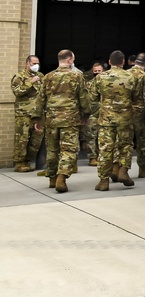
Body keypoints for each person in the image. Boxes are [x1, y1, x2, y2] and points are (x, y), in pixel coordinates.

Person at [35, 49, 89, 193]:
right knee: (68, 149)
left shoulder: (48, 76)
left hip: (51, 119)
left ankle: (52, 178)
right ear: (70, 59)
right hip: (70, 119)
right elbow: (83, 98)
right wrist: (86, 114)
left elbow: (40, 99)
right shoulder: (77, 76)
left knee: (52, 149)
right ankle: (62, 177)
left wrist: (37, 118)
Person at [89, 50, 138, 190]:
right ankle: (123, 171)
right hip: (125, 118)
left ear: (109, 62)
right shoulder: (131, 77)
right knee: (126, 146)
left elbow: (93, 97)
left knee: (105, 149)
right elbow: (135, 98)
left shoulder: (100, 77)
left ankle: (104, 181)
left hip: (106, 119)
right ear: (123, 62)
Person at [10, 55, 43, 172]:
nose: (36, 65)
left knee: (36, 139)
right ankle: (20, 162)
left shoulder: (40, 76)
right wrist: (30, 82)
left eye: (37, 63)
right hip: (23, 113)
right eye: (33, 63)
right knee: (22, 139)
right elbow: (17, 92)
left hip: (37, 113)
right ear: (27, 63)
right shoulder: (19, 76)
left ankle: (28, 160)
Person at [128, 52, 145, 178]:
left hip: (125, 112)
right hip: (140, 112)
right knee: (142, 140)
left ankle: (120, 169)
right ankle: (143, 169)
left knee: (125, 141)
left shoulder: (126, 74)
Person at [81, 61, 105, 166]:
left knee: (104, 137)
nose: (97, 73)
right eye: (95, 71)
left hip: (105, 114)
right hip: (92, 114)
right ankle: (92, 157)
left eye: (99, 71)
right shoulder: (88, 84)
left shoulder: (107, 83)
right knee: (91, 136)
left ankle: (103, 156)